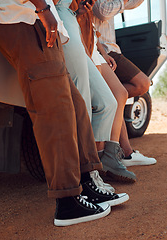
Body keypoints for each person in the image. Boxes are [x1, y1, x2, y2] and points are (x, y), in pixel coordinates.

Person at [0, 0, 128, 226]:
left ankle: (85, 184)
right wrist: (43, 8)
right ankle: (68, 202)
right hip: (26, 19)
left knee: (76, 108)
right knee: (56, 115)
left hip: (34, 20)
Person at [53, 0, 137, 182]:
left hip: (86, 39)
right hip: (70, 32)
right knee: (90, 105)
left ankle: (106, 158)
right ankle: (93, 168)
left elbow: (89, 26)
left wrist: (102, 52)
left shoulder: (78, 10)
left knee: (113, 99)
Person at [92, 0, 157, 166]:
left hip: (109, 49)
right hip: (104, 50)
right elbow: (103, 11)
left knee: (121, 94)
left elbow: (130, 5)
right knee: (140, 84)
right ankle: (124, 153)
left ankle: (126, 153)